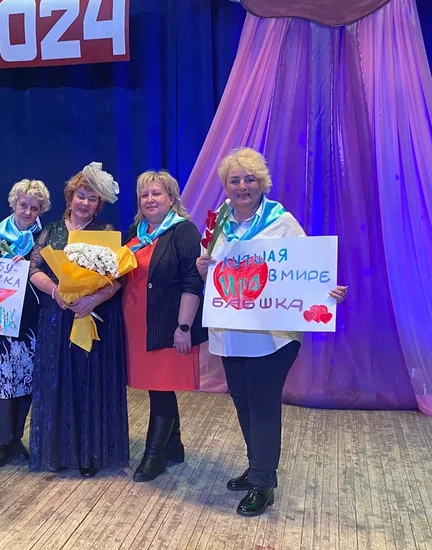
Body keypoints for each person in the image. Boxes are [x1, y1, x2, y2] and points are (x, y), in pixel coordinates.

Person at [196, 148, 348, 516]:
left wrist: (326, 292)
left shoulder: (282, 222)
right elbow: (214, 277)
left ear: (262, 183)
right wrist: (204, 270)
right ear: (226, 186)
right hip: (231, 332)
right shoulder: (217, 224)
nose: (242, 186)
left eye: (250, 179)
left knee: (263, 405)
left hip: (272, 337)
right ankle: (256, 467)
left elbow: (306, 271)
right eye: (235, 180)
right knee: (243, 402)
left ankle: (263, 484)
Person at [28, 163, 129, 478]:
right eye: (81, 196)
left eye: (92, 198)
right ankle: (58, 451)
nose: (85, 202)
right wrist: (56, 291)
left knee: (88, 382)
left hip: (93, 317)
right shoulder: (51, 231)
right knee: (57, 381)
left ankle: (90, 453)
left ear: (99, 204)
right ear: (70, 197)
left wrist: (92, 300)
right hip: (56, 319)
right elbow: (34, 270)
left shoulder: (106, 233)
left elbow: (118, 279)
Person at [122, 170, 207, 482]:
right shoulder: (134, 232)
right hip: (136, 328)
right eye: (144, 195)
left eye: (156, 193)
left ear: (171, 199)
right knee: (157, 387)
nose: (149, 199)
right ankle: (174, 446)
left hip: (167, 326)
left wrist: (183, 327)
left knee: (161, 389)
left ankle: (154, 456)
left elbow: (192, 281)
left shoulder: (183, 230)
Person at [0, 179, 52, 468]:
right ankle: (2, 440)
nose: (28, 212)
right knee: (3, 382)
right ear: (13, 204)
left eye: (35, 208)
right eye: (23, 205)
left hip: (33, 320)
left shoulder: (46, 238)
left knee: (26, 381)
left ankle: (17, 438)